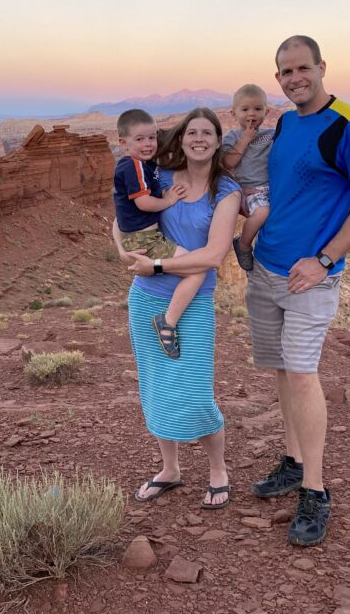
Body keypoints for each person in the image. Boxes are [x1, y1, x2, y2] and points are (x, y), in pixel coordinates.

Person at [247, 35, 350, 546]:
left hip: (311, 277)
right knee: (282, 370)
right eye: (284, 72)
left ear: (322, 67)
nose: (293, 79)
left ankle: (314, 490)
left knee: (303, 375)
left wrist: (325, 258)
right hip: (266, 269)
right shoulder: (285, 122)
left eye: (302, 68)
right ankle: (293, 459)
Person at [112, 107, 241, 509]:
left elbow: (214, 255)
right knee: (155, 385)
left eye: (207, 133)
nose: (199, 139)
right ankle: (170, 469)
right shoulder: (161, 177)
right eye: (192, 133)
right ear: (182, 139)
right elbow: (122, 217)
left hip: (194, 302)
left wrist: (158, 264)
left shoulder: (227, 191)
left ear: (218, 141)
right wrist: (122, 252)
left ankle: (217, 469)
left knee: (196, 392)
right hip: (147, 296)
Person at [112, 108, 204, 359]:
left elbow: (120, 215)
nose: (148, 144)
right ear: (123, 143)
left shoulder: (142, 164)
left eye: (152, 138)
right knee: (197, 269)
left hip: (142, 238)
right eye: (139, 139)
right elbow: (143, 203)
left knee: (194, 266)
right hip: (145, 240)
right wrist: (168, 200)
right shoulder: (134, 167)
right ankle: (168, 321)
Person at [220, 84, 275, 271]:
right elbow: (228, 163)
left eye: (258, 109)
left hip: (273, 188)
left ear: (266, 112)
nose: (251, 114)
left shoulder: (271, 135)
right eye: (245, 109)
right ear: (233, 114)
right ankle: (243, 244)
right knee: (262, 213)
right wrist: (244, 140)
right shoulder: (232, 137)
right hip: (251, 190)